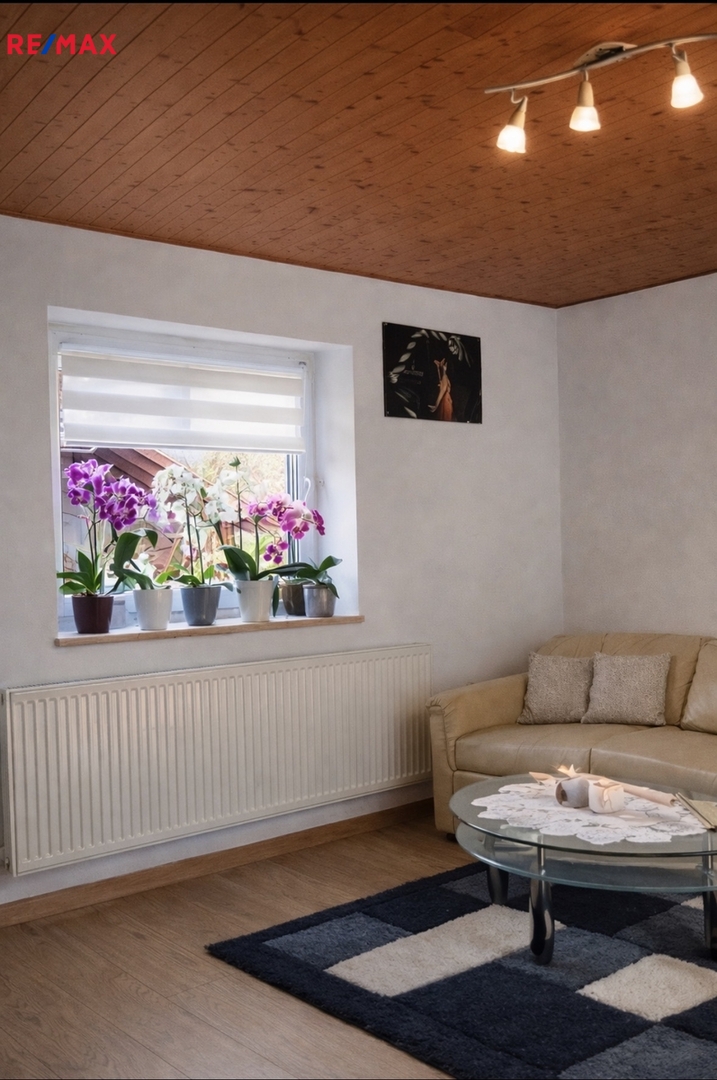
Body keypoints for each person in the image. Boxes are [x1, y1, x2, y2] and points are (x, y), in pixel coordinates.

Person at [428, 357, 453, 421]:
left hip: (445, 401)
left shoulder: (445, 376)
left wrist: (436, 405)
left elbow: (443, 389)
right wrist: (438, 368)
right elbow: (441, 382)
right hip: (444, 400)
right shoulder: (444, 376)